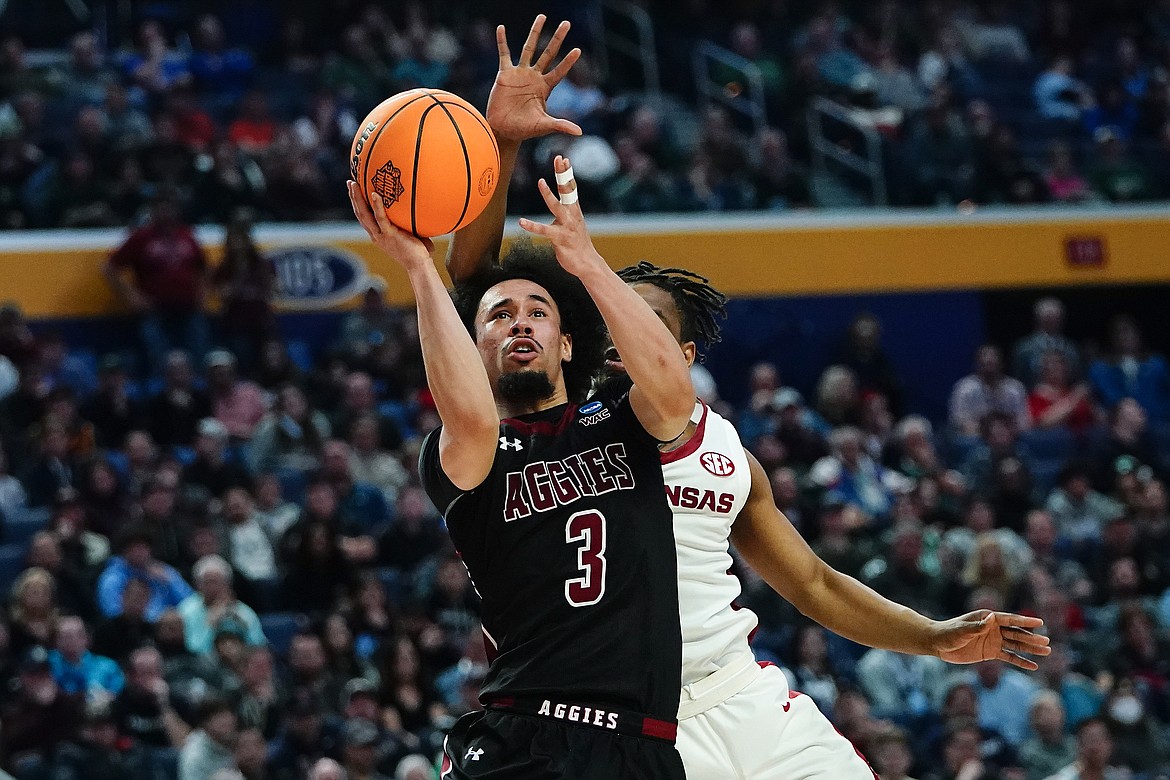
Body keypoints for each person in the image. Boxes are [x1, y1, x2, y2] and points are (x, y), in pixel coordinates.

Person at [441, 16, 1052, 780]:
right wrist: (499, 147)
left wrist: (932, 636)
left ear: (683, 355)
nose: (620, 332)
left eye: (646, 324)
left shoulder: (727, 453)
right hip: (620, 724)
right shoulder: (559, 428)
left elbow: (817, 584)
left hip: (746, 699)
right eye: (610, 318)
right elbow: (476, 283)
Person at [351, 19, 695, 780]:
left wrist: (586, 262)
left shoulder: (623, 420)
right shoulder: (470, 453)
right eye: (499, 318)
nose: (520, 323)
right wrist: (417, 266)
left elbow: (675, 388)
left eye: (538, 311)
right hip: (523, 738)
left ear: (571, 341)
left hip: (643, 747)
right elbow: (469, 398)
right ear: (472, 349)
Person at [102, 190, 211, 377]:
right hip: (155, 312)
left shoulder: (186, 235)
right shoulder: (141, 237)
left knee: (198, 357)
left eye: (170, 207)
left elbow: (203, 267)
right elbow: (109, 268)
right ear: (153, 210)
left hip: (189, 309)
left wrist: (202, 293)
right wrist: (132, 297)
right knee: (159, 361)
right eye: (161, 207)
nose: (166, 212)